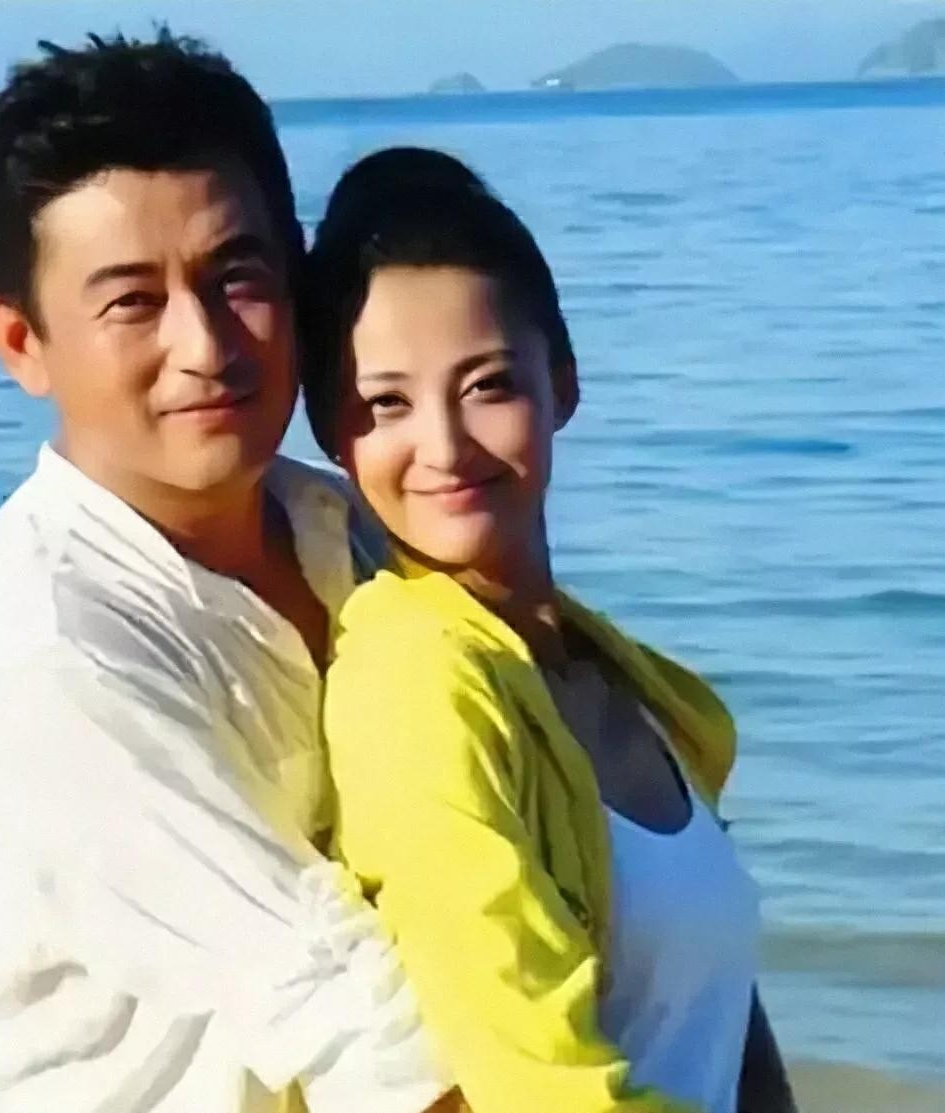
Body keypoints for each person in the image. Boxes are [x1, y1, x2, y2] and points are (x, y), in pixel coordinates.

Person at [0, 35, 460, 1113]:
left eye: (236, 277)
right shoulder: (39, 638)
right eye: (132, 303)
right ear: (21, 342)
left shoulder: (355, 531)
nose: (204, 344)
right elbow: (361, 1026)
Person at [301, 148, 798, 1113]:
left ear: (562, 383)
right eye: (386, 403)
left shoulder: (627, 681)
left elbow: (726, 1014)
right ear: (333, 431)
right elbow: (534, 1083)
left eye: (487, 385)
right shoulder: (414, 683)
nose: (444, 446)